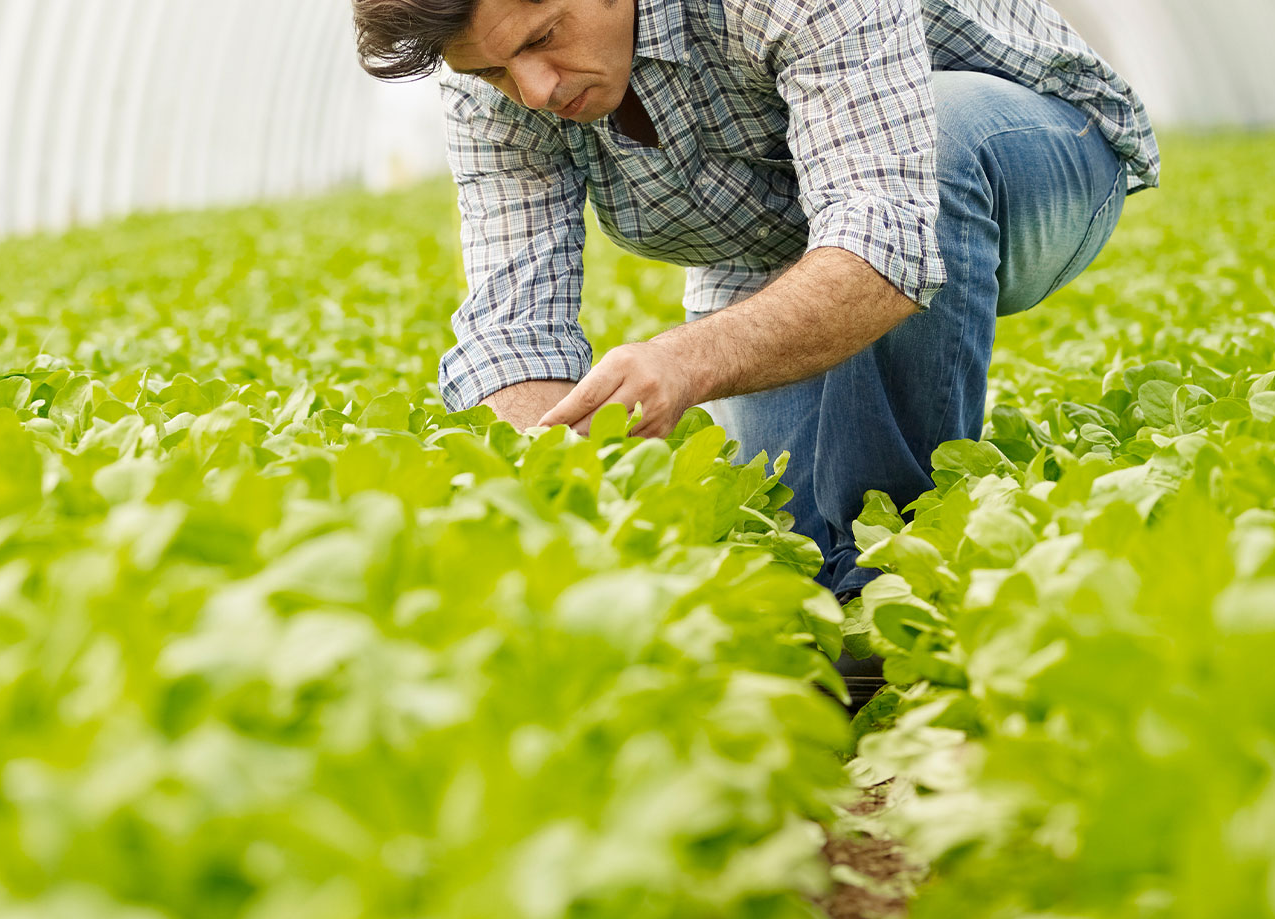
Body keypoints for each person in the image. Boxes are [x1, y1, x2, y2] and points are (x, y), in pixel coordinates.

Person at [349, 0, 1158, 601]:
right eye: (490, 70)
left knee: (936, 143)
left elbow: (884, 232)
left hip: (1031, 153)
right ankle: (846, 583)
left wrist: (684, 360)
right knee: (795, 544)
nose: (533, 88)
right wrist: (557, 477)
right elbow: (513, 325)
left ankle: (907, 572)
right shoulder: (496, 93)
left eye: (542, 37)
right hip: (786, 235)